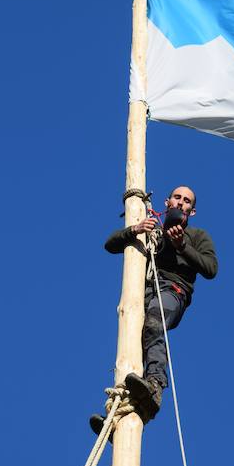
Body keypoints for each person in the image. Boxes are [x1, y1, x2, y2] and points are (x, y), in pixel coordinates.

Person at [90, 185, 217, 432]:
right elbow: (110, 243)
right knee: (131, 341)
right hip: (142, 292)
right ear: (167, 202)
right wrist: (135, 229)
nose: (181, 203)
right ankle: (123, 414)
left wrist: (182, 247)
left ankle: (155, 385)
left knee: (154, 321)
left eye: (187, 201)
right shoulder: (151, 231)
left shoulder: (198, 236)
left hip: (172, 291)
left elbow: (211, 268)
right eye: (177, 198)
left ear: (192, 211)